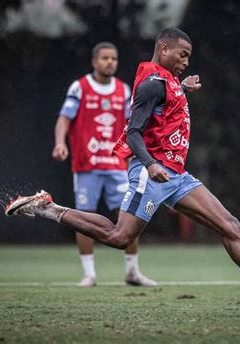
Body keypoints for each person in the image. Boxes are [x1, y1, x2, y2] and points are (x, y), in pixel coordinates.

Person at [5, 27, 240, 313]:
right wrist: (150, 164)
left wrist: (182, 86)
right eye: (182, 55)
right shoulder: (151, 85)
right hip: (151, 170)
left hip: (176, 175)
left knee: (229, 225)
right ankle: (47, 208)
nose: (186, 61)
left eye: (188, 57)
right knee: (119, 236)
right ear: (163, 48)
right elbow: (133, 132)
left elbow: (162, 103)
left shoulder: (165, 81)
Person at [51, 42, 156, 287]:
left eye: (114, 58)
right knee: (85, 216)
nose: (110, 62)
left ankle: (132, 272)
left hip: (117, 165)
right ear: (94, 61)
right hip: (87, 165)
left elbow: (134, 126)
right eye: (105, 58)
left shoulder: (123, 90)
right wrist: (60, 143)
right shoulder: (80, 87)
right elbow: (64, 119)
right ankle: (89, 274)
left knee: (128, 216)